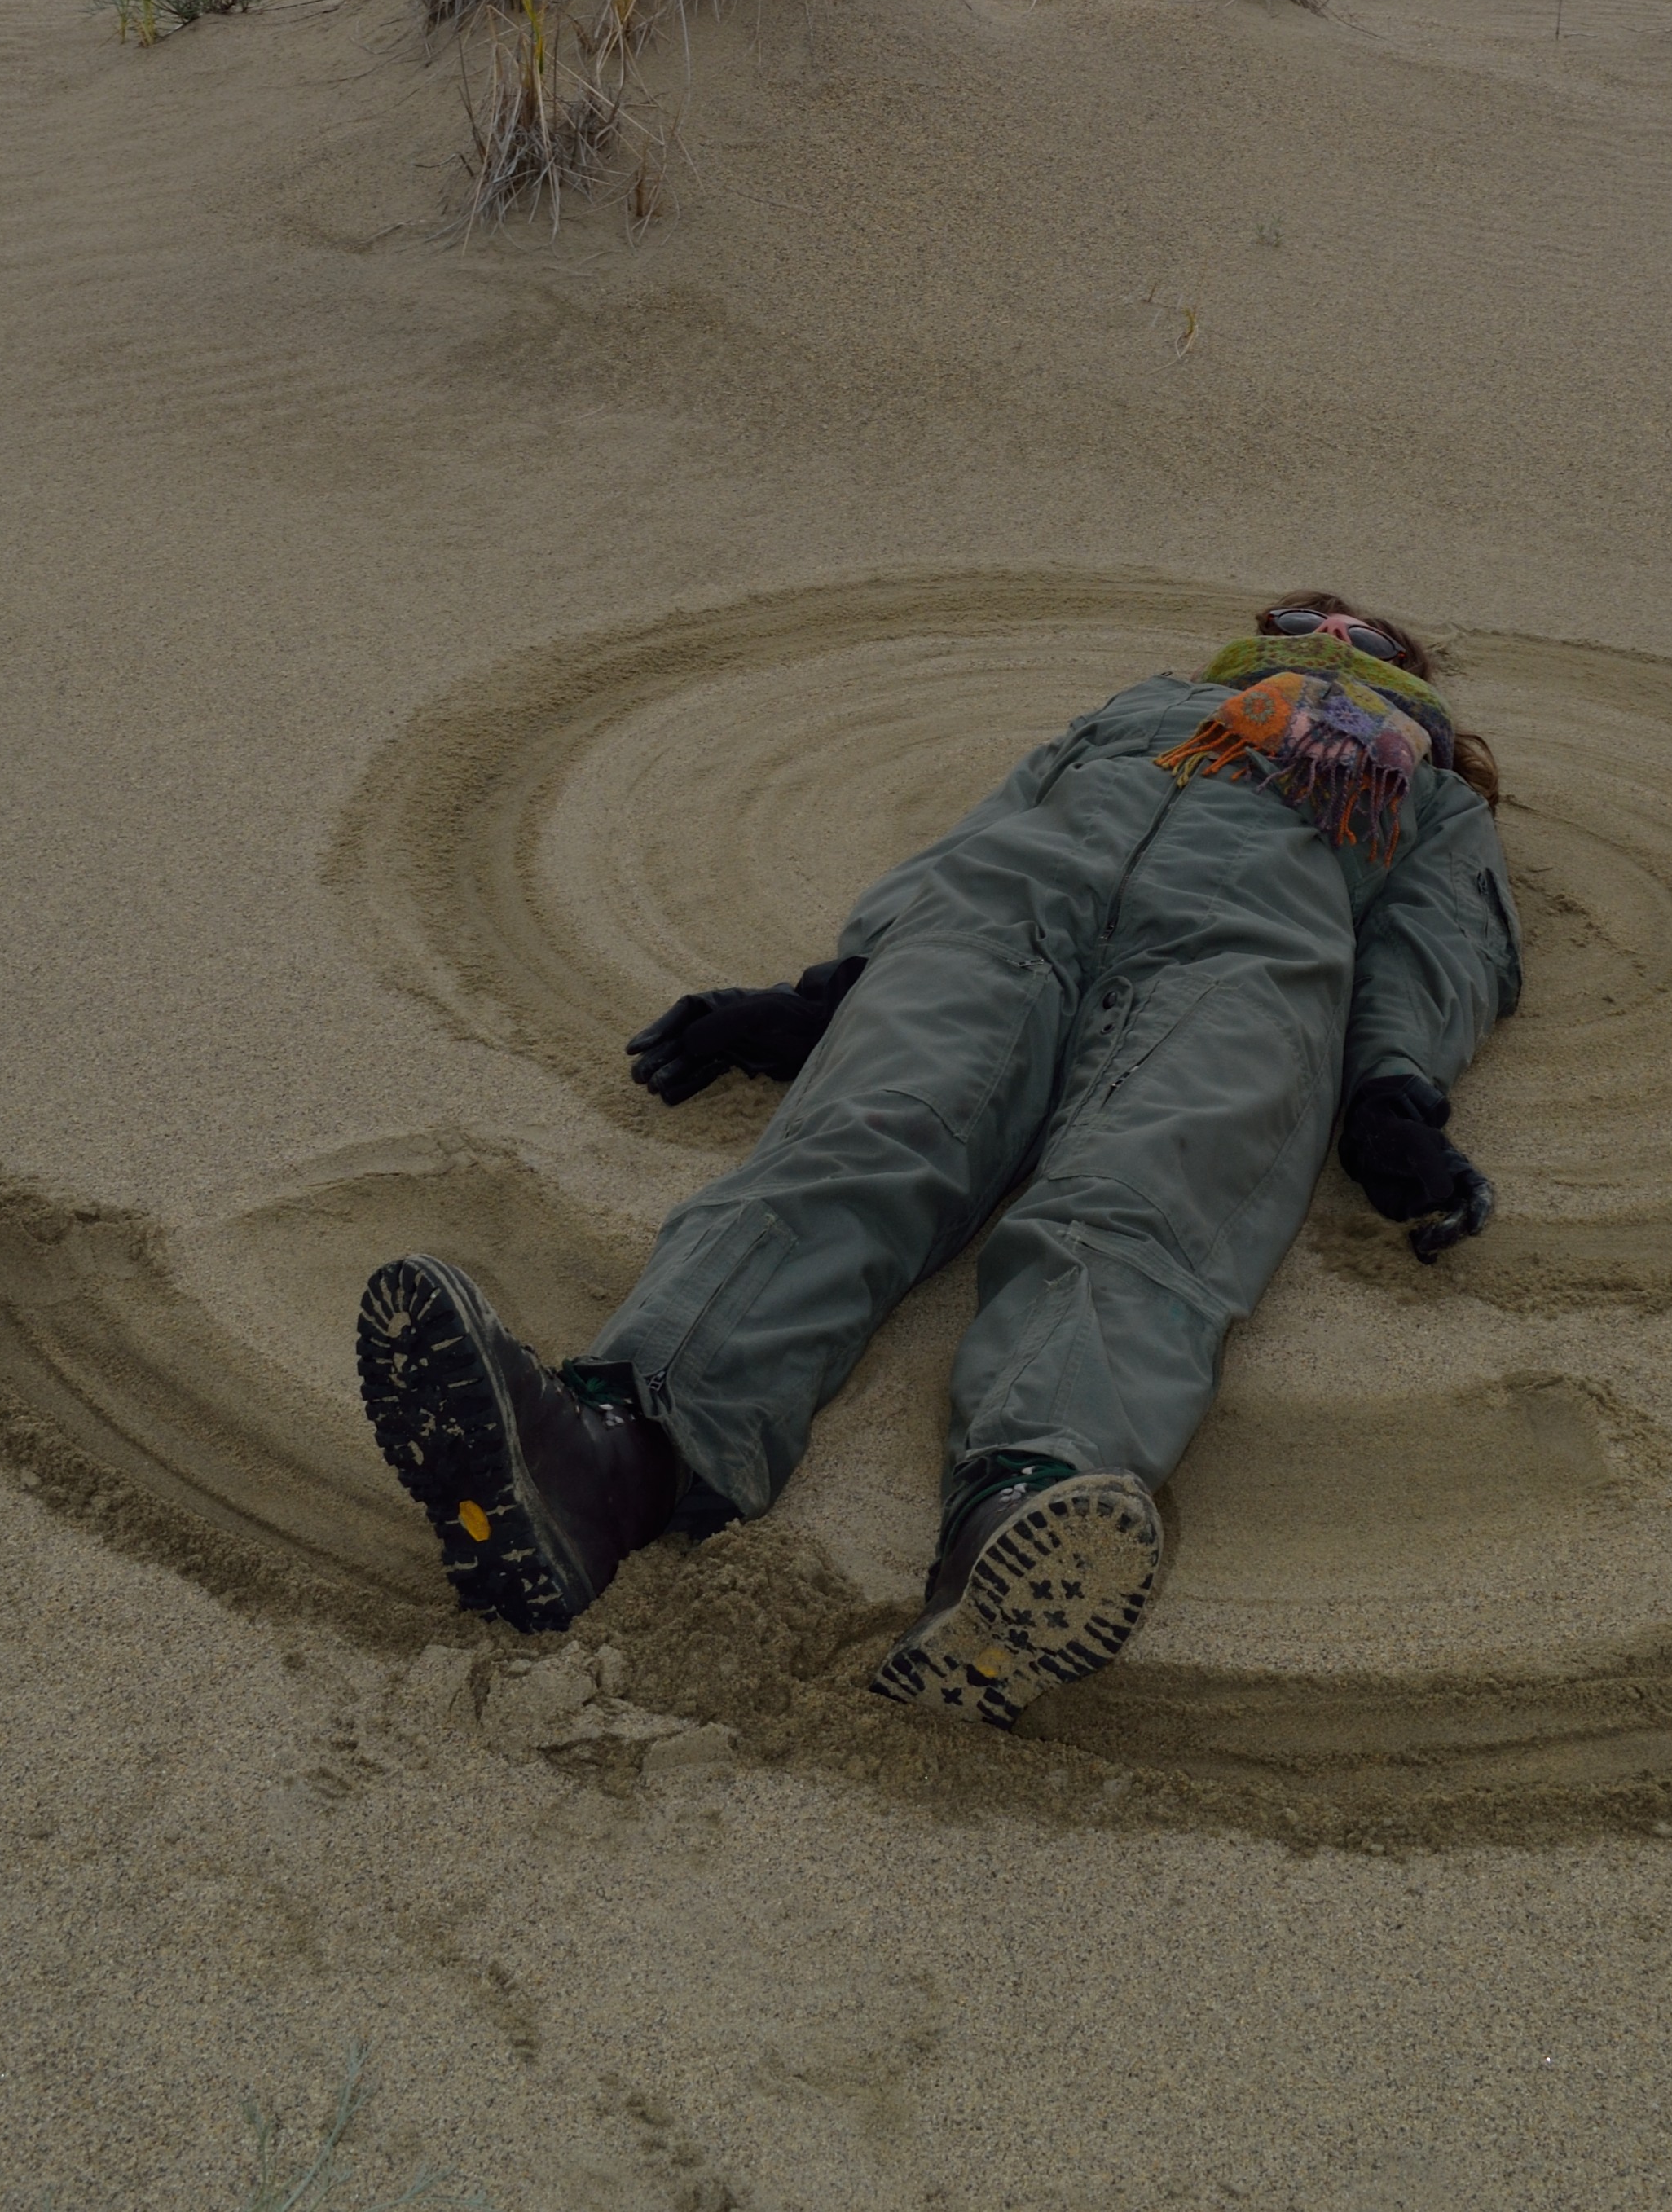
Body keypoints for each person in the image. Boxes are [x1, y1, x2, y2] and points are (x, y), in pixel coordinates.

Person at [357, 594, 1520, 1729]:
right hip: (1001, 925)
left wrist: (1394, 1092)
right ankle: (615, 1457)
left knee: (1133, 1203)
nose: (1328, 642)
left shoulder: (1420, 791)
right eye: (1303, 625)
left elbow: (1443, 938)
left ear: (1406, 676)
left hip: (1243, 971)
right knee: (860, 1141)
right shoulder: (1142, 714)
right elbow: (982, 834)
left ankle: (1020, 1521)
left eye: (1363, 637)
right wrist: (829, 992)